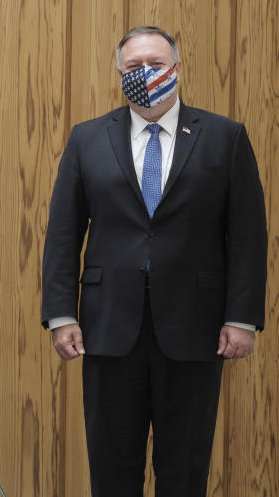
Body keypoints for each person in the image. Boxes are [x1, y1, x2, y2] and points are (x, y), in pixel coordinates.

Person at [41, 26, 267, 496]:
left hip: (195, 329)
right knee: (112, 468)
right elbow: (64, 232)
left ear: (178, 69)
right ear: (118, 74)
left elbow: (247, 236)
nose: (145, 74)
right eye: (133, 67)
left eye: (156, 64)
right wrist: (61, 313)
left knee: (185, 469)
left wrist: (242, 318)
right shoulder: (87, 139)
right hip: (106, 330)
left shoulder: (225, 138)